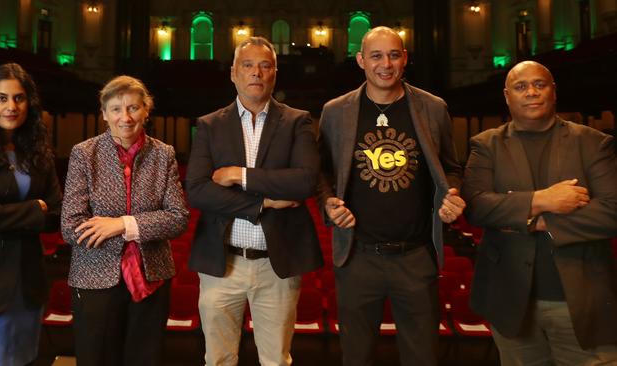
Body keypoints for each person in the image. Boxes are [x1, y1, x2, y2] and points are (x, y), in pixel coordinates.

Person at [317, 26, 465, 366]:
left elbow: (451, 167)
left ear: (405, 59)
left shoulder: (433, 107)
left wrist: (452, 192)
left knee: (422, 356)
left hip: (415, 255)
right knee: (356, 356)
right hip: (357, 256)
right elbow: (321, 172)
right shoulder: (336, 111)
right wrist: (328, 201)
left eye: (394, 55)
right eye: (376, 56)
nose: (386, 64)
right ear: (360, 61)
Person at [462, 60, 617, 365]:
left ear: (553, 91)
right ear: (507, 96)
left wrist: (534, 220)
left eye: (539, 84)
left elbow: (612, 211)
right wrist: (543, 199)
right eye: (521, 87)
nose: (531, 92)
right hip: (511, 300)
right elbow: (478, 206)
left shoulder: (593, 143)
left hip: (580, 300)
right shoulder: (486, 145)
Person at [185, 36, 323, 366]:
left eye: (264, 66)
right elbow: (198, 190)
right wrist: (261, 205)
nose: (256, 73)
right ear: (233, 73)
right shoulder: (209, 125)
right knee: (218, 359)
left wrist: (238, 175)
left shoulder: (297, 121)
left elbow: (304, 181)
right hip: (221, 264)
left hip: (276, 265)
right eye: (247, 65)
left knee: (276, 360)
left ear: (275, 73)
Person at [61, 75, 189, 366]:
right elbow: (71, 226)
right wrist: (143, 225)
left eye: (133, 107)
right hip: (94, 279)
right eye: (116, 109)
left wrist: (120, 224)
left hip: (152, 277)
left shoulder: (163, 154)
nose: (125, 117)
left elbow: (178, 218)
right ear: (104, 114)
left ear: (146, 110)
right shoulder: (84, 153)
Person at [0, 63, 62, 365]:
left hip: (28, 282)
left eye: (19, 98)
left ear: (29, 103)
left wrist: (4, 212)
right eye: (2, 98)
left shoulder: (39, 153)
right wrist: (35, 208)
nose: (11, 106)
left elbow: (57, 214)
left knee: (23, 360)